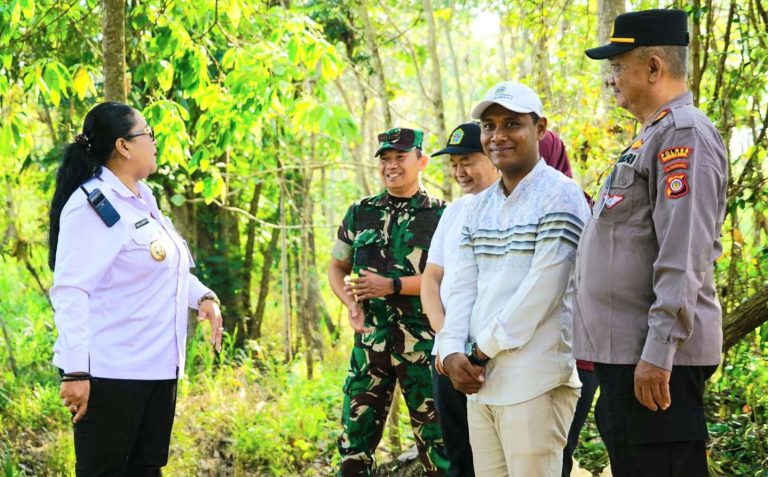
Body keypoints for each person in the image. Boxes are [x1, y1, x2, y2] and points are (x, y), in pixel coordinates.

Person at [574, 9, 727, 477]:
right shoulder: (652, 136)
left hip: (657, 362)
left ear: (654, 67)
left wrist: (659, 351)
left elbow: (684, 252)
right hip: (628, 358)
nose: (611, 78)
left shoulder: (684, 134)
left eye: (618, 66)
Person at [49, 101, 224, 476]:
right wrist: (75, 371)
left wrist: (202, 297)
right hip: (112, 374)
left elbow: (163, 269)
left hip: (157, 370)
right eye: (149, 134)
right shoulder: (91, 206)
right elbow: (71, 290)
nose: (155, 142)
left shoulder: (143, 198)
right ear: (123, 146)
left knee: (146, 470)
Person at [422, 122, 592, 477]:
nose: (460, 171)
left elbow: (542, 290)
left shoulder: (561, 196)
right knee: (465, 462)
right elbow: (455, 283)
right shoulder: (468, 210)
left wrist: (478, 350)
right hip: (474, 373)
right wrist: (450, 347)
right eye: (454, 164)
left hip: (530, 374)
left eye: (467, 161)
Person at [328, 128, 449, 476]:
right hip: (370, 344)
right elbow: (337, 267)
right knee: (354, 447)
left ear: (421, 162)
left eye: (400, 157)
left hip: (423, 345)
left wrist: (392, 285)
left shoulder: (442, 215)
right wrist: (351, 304)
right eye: (385, 158)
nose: (391, 165)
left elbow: (449, 278)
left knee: (438, 445)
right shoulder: (360, 212)